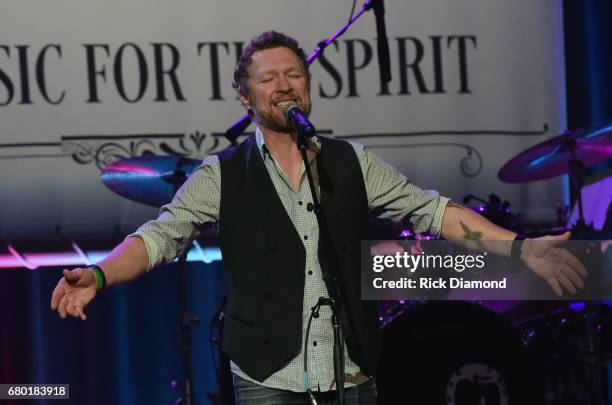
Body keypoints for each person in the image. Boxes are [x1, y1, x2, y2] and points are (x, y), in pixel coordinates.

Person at [51, 31, 587, 404]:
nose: (284, 85)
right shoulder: (221, 174)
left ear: (307, 86)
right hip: (265, 374)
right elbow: (159, 237)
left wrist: (521, 248)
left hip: (351, 372)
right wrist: (98, 275)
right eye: (268, 78)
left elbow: (433, 210)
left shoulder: (348, 161)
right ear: (245, 95)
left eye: (294, 75)